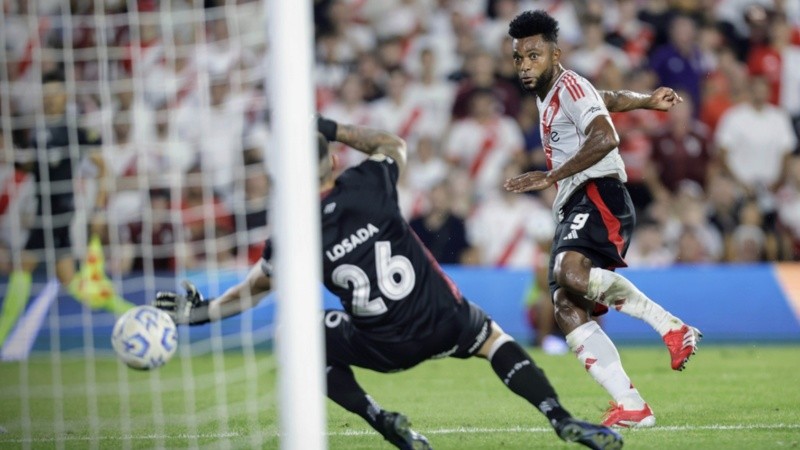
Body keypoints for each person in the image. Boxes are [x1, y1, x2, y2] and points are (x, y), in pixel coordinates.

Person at [155, 117, 623, 450]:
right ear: (333, 159)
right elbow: (390, 142)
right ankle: (560, 418)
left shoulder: (294, 233)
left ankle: (380, 419)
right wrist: (329, 126)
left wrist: (203, 312)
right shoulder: (368, 183)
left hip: (382, 344)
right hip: (442, 318)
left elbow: (255, 289)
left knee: (293, 335)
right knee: (493, 339)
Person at [503, 10, 702, 428]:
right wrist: (645, 100)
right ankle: (632, 405)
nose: (524, 66)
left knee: (568, 271)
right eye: (519, 58)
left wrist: (551, 175)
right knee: (566, 306)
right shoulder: (553, 92)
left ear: (555, 55)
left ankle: (671, 327)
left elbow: (606, 135)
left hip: (598, 191)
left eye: (534, 56)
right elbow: (604, 98)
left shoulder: (568, 84)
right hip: (574, 201)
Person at [0, 71, 133, 348]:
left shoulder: (75, 130)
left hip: (61, 213)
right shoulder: (37, 130)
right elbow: (38, 167)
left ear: (65, 95)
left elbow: (104, 169)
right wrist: (15, 160)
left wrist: (99, 210)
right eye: (46, 94)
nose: (50, 99)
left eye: (56, 93)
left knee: (23, 267)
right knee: (71, 280)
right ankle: (131, 314)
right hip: (44, 212)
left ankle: (1, 336)